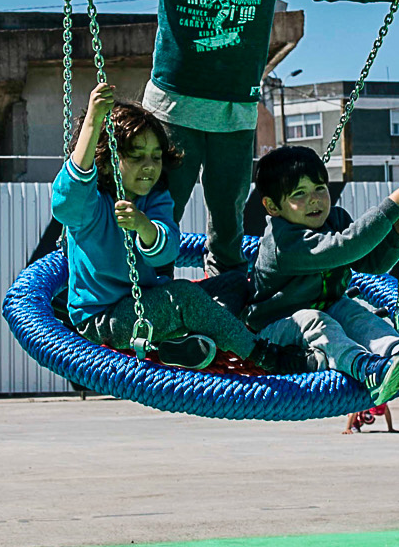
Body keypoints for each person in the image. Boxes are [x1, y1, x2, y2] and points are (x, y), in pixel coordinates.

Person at [53, 0, 399, 300]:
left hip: (234, 113)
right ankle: (144, 294)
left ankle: (229, 297)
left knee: (228, 213)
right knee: (162, 205)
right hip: (174, 108)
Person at [52, 81, 273, 370]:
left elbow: (165, 251)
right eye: (136, 155)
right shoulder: (90, 206)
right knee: (183, 296)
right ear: (105, 162)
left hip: (146, 305)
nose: (149, 165)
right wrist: (92, 122)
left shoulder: (155, 200)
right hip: (104, 319)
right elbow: (64, 202)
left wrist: (143, 226)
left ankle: (187, 346)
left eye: (156, 157)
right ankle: (261, 355)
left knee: (234, 282)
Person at [247, 144, 399, 401]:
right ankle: (366, 368)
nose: (314, 199)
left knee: (359, 314)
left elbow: (371, 264)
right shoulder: (282, 243)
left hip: (329, 308)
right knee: (314, 319)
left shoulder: (334, 220)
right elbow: (343, 248)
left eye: (319, 188)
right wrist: (390, 208)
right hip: (274, 331)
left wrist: (395, 233)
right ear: (272, 206)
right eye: (299, 193)